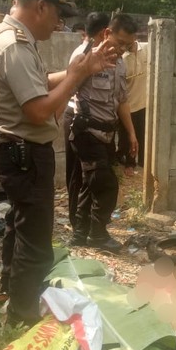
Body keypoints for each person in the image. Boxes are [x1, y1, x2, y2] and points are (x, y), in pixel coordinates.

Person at [0, 0, 116, 326]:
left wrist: (81, 70)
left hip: (20, 154)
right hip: (25, 155)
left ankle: (12, 292)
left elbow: (39, 85)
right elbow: (38, 109)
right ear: (40, 6)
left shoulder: (17, 39)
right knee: (36, 242)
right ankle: (22, 317)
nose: (60, 23)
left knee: (20, 226)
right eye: (58, 13)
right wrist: (76, 77)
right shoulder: (14, 44)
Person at [68, 13, 139, 252]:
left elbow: (121, 101)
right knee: (106, 184)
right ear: (107, 33)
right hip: (86, 132)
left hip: (108, 134)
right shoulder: (84, 57)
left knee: (91, 184)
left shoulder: (120, 63)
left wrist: (131, 133)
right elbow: (66, 90)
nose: (122, 49)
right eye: (120, 43)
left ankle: (80, 233)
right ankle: (98, 235)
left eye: (127, 46)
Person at [63, 12, 111, 231]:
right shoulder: (84, 54)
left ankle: (85, 221)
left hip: (83, 118)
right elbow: (71, 87)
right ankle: (77, 222)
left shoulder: (94, 53)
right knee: (77, 174)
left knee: (87, 175)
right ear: (104, 32)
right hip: (77, 118)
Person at [117, 34, 148, 173]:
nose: (124, 46)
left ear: (134, 37)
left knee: (143, 135)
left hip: (146, 103)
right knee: (127, 138)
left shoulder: (148, 49)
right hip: (128, 105)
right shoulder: (122, 59)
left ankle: (142, 162)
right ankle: (129, 163)